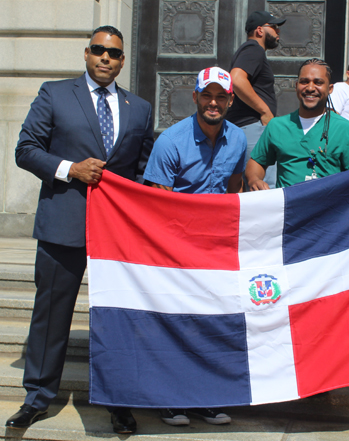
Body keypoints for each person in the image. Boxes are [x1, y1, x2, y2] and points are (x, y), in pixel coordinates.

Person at [6, 26, 154, 434]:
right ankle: (37, 397)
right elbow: (26, 150)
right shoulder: (55, 93)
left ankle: (120, 400)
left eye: (114, 53)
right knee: (51, 316)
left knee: (119, 320)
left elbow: (140, 172)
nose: (106, 58)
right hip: (62, 224)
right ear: (86, 54)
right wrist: (69, 169)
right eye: (99, 50)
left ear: (123, 60)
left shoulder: (139, 108)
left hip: (117, 234)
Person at [144, 67, 246, 425]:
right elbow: (158, 205)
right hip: (175, 247)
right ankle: (170, 399)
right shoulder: (170, 142)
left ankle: (204, 397)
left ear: (231, 100)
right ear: (195, 98)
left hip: (215, 248)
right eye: (207, 95)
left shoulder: (239, 139)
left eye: (221, 96)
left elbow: (234, 189)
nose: (213, 103)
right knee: (176, 323)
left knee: (209, 323)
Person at [245, 58, 349, 190]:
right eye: (304, 82)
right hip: (288, 208)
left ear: (330, 89)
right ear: (296, 86)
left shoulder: (347, 130)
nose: (310, 88)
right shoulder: (277, 126)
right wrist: (255, 179)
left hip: (327, 209)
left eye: (318, 82)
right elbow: (257, 162)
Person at [227, 10, 286, 189]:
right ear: (260, 30)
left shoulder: (251, 51)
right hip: (253, 128)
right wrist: (264, 111)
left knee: (247, 188)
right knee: (263, 188)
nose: (278, 32)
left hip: (246, 128)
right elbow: (236, 79)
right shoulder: (253, 49)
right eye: (274, 27)